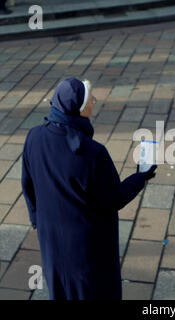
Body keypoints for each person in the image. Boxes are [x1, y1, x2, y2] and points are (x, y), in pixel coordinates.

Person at [22, 78, 157, 300]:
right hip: (88, 247)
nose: (94, 104)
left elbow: (28, 184)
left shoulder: (34, 137)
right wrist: (140, 177)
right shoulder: (93, 153)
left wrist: (38, 219)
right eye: (91, 100)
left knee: (60, 290)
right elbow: (113, 198)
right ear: (82, 109)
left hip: (52, 240)